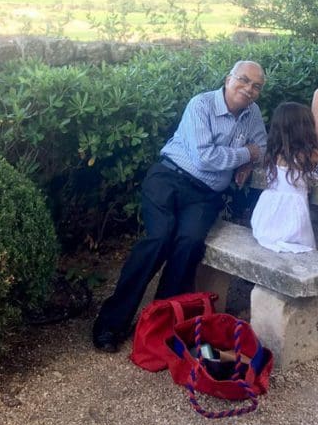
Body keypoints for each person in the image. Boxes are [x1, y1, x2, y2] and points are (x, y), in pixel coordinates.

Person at [91, 60, 268, 352]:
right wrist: (244, 154)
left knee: (189, 244)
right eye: (244, 80)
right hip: (168, 178)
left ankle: (159, 326)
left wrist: (250, 159)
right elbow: (204, 158)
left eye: (256, 86)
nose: (249, 89)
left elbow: (262, 146)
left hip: (205, 194)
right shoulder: (201, 105)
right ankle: (110, 324)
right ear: (228, 79)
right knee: (158, 239)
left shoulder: (253, 114)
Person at [251, 102, 318, 253]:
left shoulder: (274, 151)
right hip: (291, 210)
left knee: (277, 237)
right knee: (298, 243)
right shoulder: (302, 153)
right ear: (304, 129)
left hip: (271, 207)